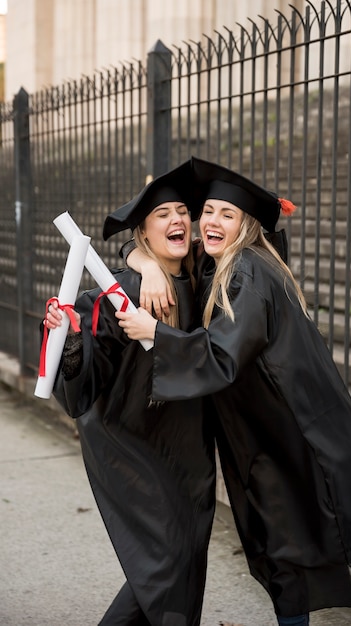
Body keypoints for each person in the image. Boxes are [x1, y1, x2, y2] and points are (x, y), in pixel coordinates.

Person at [117, 156, 351, 626]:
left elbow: (222, 356)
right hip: (263, 433)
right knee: (280, 548)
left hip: (290, 433)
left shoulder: (246, 274)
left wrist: (153, 333)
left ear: (245, 225)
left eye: (227, 214)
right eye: (209, 211)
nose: (211, 222)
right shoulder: (225, 262)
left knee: (287, 548)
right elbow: (150, 247)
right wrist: (144, 264)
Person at [43, 160, 216, 626]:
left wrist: (143, 257)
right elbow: (87, 377)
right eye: (163, 214)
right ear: (143, 231)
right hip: (133, 443)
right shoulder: (123, 291)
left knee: (185, 559)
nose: (177, 219)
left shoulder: (205, 274)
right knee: (166, 564)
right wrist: (74, 338)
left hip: (188, 449)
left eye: (183, 211)